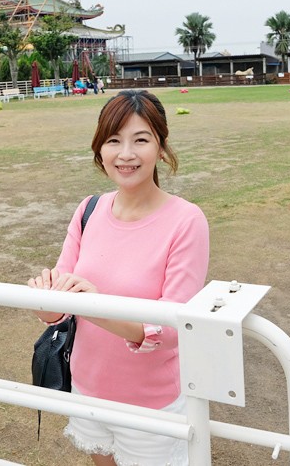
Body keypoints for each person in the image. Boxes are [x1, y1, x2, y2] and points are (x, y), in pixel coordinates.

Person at [28, 90, 210, 466]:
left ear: (161, 148)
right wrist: (46, 301)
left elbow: (173, 327)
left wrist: (91, 305)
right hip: (88, 386)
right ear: (100, 150)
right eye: (114, 141)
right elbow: (59, 306)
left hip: (151, 401)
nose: (125, 154)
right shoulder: (89, 209)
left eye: (140, 140)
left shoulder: (186, 220)